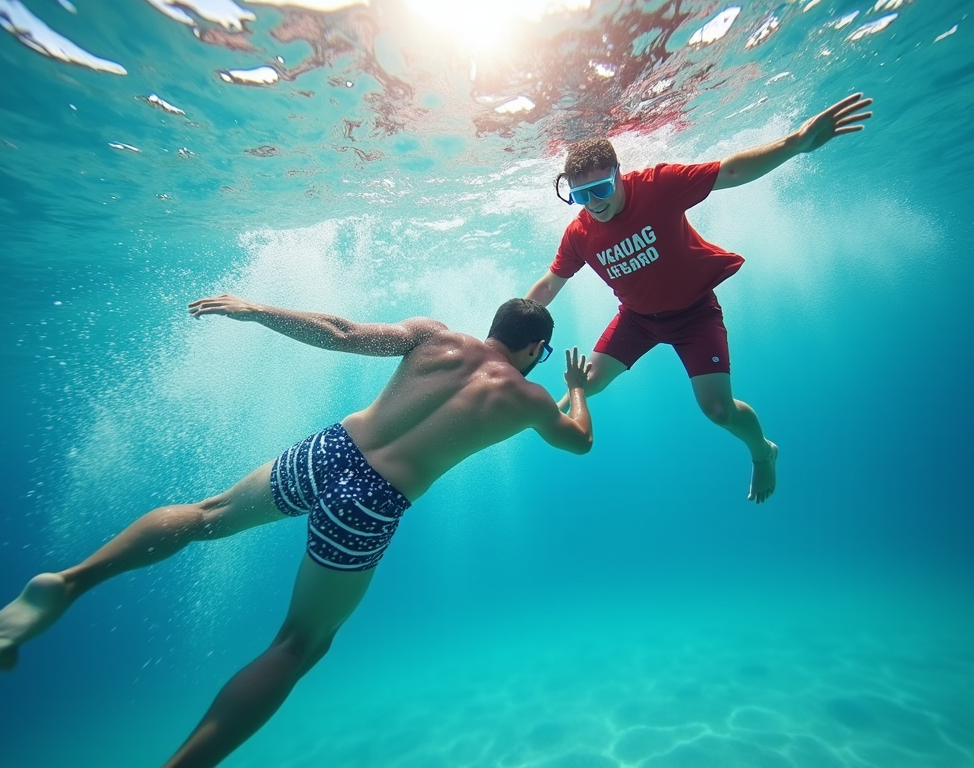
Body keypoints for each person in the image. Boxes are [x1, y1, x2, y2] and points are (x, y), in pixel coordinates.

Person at [0, 294, 593, 768]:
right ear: (537, 348)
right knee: (299, 644)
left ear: (493, 326)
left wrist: (259, 311)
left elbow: (338, 330)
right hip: (371, 502)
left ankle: (71, 581)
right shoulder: (532, 399)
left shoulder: (433, 336)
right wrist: (575, 389)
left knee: (207, 515)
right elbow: (579, 441)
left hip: (331, 449)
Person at [526, 93, 874, 504]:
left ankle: (764, 452)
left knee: (718, 411)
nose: (594, 204)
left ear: (620, 175)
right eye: (581, 196)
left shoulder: (658, 186)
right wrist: (502, 341)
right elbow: (549, 285)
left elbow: (729, 171)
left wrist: (795, 143)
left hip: (694, 315)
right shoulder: (579, 233)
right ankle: (534, 416)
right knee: (583, 388)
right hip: (637, 319)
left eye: (600, 189)